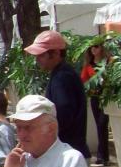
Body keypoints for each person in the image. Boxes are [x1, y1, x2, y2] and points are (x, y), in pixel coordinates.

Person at [24, 30, 89, 158]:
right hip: (69, 151)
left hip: (67, 155)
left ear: (56, 53)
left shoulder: (62, 78)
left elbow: (63, 116)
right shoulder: (63, 74)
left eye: (41, 55)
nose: (37, 59)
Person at [80, 37, 112, 165]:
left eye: (96, 46)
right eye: (91, 47)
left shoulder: (108, 62)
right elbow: (83, 80)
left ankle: (103, 156)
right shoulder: (88, 65)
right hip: (95, 97)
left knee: (103, 124)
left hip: (106, 97)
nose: (93, 49)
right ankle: (102, 156)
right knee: (99, 125)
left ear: (101, 48)